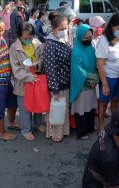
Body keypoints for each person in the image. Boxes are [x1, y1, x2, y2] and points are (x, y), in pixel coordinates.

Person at [95, 13, 119, 134]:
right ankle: (101, 125)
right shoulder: (104, 40)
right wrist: (105, 84)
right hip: (109, 77)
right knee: (103, 102)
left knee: (116, 101)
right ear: (111, 26)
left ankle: (114, 124)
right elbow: (100, 64)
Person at [9, 22, 45, 141]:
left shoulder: (37, 43)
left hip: (37, 79)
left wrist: (37, 65)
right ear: (19, 36)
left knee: (38, 103)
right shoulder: (14, 48)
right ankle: (26, 130)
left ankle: (38, 124)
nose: (29, 40)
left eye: (31, 37)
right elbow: (16, 69)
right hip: (23, 82)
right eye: (26, 38)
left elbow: (42, 58)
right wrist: (28, 77)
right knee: (25, 107)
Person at [43, 13, 71, 142]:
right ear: (53, 29)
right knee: (57, 109)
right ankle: (55, 134)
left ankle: (63, 131)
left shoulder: (64, 39)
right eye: (61, 29)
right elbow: (50, 69)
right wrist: (54, 89)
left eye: (66, 28)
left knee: (63, 109)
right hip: (57, 84)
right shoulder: (49, 44)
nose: (64, 31)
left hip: (66, 81)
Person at [70, 24, 98, 140]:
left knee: (91, 107)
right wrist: (91, 80)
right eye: (86, 37)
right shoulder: (76, 51)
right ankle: (81, 132)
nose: (88, 39)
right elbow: (78, 71)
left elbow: (96, 64)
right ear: (80, 36)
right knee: (81, 109)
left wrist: (95, 79)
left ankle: (90, 127)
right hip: (82, 85)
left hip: (92, 84)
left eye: (90, 37)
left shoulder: (91, 47)